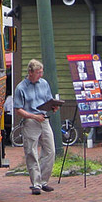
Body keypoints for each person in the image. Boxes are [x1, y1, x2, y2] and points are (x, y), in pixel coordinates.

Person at [13, 59, 59, 195]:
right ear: (30, 72)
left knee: (50, 150)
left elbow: (48, 100)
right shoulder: (21, 88)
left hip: (44, 119)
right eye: (38, 72)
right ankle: (36, 184)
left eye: (41, 72)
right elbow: (18, 109)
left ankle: (44, 181)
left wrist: (53, 107)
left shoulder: (44, 83)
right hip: (31, 120)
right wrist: (33, 117)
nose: (41, 75)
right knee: (31, 151)